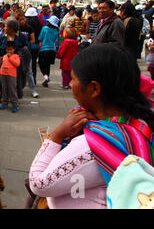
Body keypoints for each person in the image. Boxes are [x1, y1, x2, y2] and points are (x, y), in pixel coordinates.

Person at [29, 44, 154, 209]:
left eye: (73, 78)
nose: (71, 84)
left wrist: (57, 135)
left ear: (94, 88)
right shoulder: (140, 124)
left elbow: (38, 183)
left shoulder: (94, 144)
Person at [17, 12, 40, 98]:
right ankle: (19, 88)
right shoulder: (16, 28)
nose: (22, 21)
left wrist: (25, 44)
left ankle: (33, 90)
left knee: (29, 72)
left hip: (27, 52)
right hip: (17, 53)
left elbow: (33, 40)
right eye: (20, 19)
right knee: (19, 72)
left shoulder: (29, 28)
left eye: (23, 19)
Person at [0, 41, 21, 113]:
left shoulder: (16, 56)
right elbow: (2, 65)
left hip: (11, 75)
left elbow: (17, 64)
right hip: (3, 74)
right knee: (4, 89)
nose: (9, 51)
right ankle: (4, 102)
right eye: (7, 50)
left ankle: (15, 104)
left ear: (14, 49)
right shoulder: (4, 56)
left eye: (10, 49)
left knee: (12, 89)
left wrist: (10, 58)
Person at [38, 16, 60, 88]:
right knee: (47, 66)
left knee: (41, 64)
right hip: (52, 50)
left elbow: (40, 38)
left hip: (44, 49)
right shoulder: (56, 31)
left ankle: (46, 77)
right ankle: (46, 79)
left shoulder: (44, 29)